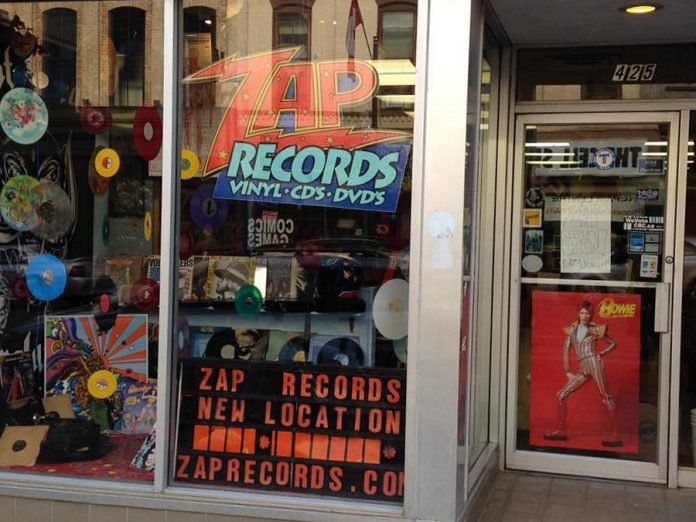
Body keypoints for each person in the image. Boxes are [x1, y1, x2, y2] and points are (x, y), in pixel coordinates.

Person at [544, 300, 623, 447]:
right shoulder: (572, 330)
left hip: (594, 363)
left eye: (587, 313)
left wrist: (601, 354)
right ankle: (561, 431)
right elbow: (566, 350)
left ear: (591, 314)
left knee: (606, 397)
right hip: (583, 368)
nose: (585, 315)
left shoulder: (596, 329)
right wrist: (567, 370)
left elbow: (614, 344)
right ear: (578, 313)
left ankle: (615, 435)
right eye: (582, 312)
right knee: (562, 394)